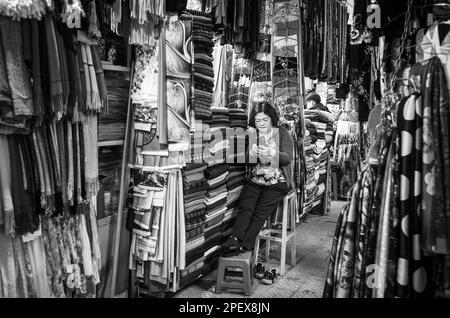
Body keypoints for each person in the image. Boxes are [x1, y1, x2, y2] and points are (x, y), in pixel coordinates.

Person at [221, 102, 294, 256]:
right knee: (246, 207)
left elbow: (287, 158)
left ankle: (246, 244)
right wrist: (252, 154)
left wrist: (273, 153)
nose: (261, 123)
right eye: (258, 120)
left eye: (265, 119)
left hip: (277, 182)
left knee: (260, 212)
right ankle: (235, 238)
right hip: (256, 179)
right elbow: (247, 161)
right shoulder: (253, 134)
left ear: (272, 118)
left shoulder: (282, 132)